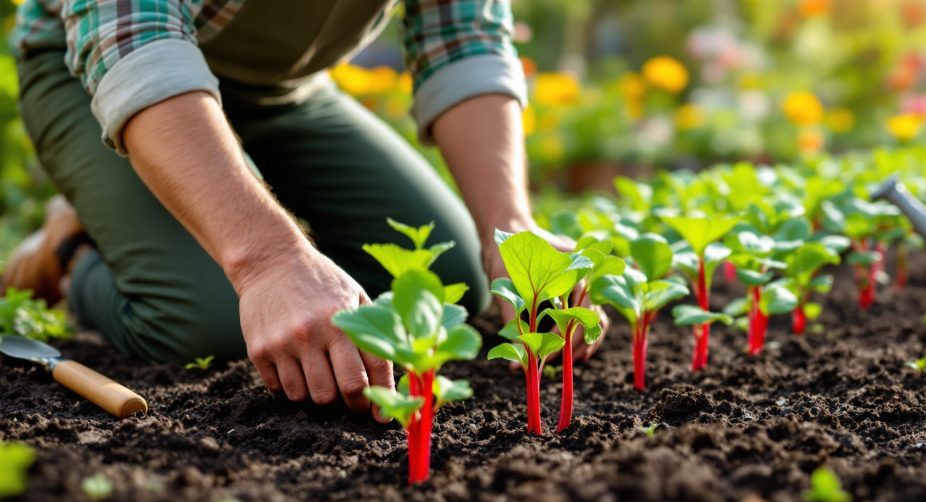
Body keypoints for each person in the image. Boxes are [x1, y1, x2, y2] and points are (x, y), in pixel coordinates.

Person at [2, 0, 606, 421]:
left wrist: (511, 231)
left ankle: (212, 204)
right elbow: (132, 40)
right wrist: (268, 261)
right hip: (96, 70)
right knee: (210, 323)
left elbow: (464, 40)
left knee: (444, 286)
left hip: (283, 89)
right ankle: (70, 250)